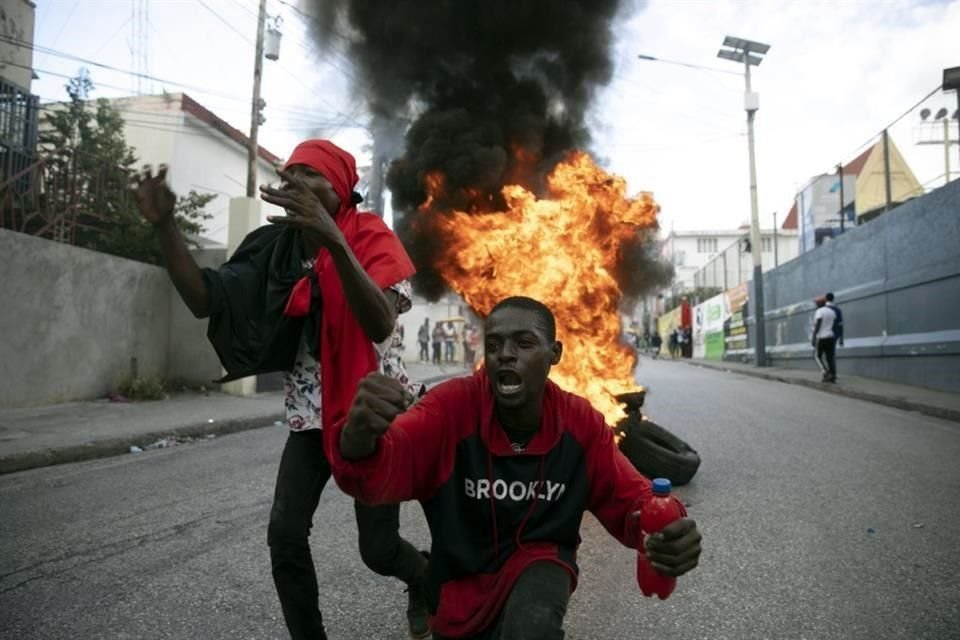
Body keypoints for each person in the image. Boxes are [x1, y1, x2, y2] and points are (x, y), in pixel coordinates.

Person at [131, 139, 431, 640]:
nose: (296, 183)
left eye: (310, 175)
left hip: (371, 415)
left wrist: (333, 240)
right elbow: (206, 299)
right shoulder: (275, 247)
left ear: (339, 189)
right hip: (312, 418)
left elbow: (378, 323)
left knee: (377, 551)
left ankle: (423, 578)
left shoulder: (370, 236)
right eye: (289, 174)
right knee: (285, 535)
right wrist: (165, 227)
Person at [329, 296, 702, 639]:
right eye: (494, 345)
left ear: (554, 353)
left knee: (532, 627)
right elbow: (386, 464)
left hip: (541, 561)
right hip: (460, 582)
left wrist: (667, 529)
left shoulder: (580, 422)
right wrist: (359, 439)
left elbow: (629, 496)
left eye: (523, 343)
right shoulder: (450, 408)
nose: (505, 354)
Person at [812, 295, 838, 383]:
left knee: (817, 356)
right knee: (830, 357)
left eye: (816, 303)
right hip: (831, 337)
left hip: (821, 337)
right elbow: (834, 325)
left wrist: (814, 337)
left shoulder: (819, 311)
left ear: (819, 303)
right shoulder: (831, 311)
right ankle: (833, 376)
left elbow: (818, 324)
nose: (815, 304)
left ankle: (826, 373)